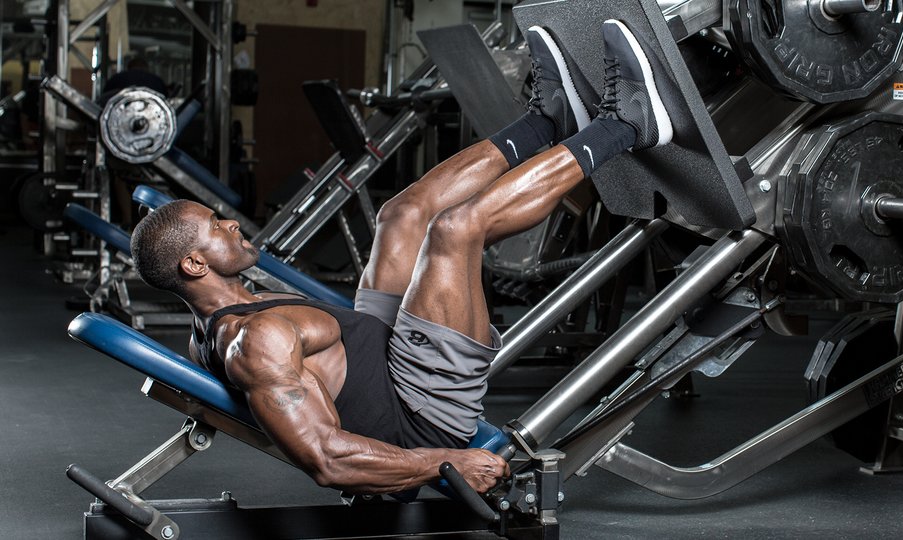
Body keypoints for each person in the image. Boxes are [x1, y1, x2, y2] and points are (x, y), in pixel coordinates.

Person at [129, 20, 672, 495]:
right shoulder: (253, 344)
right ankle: (628, 123)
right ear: (194, 265)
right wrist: (444, 461)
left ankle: (549, 121)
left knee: (402, 214)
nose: (230, 223)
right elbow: (327, 459)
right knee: (455, 229)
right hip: (419, 409)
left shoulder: (217, 323)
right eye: (215, 227)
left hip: (382, 353)